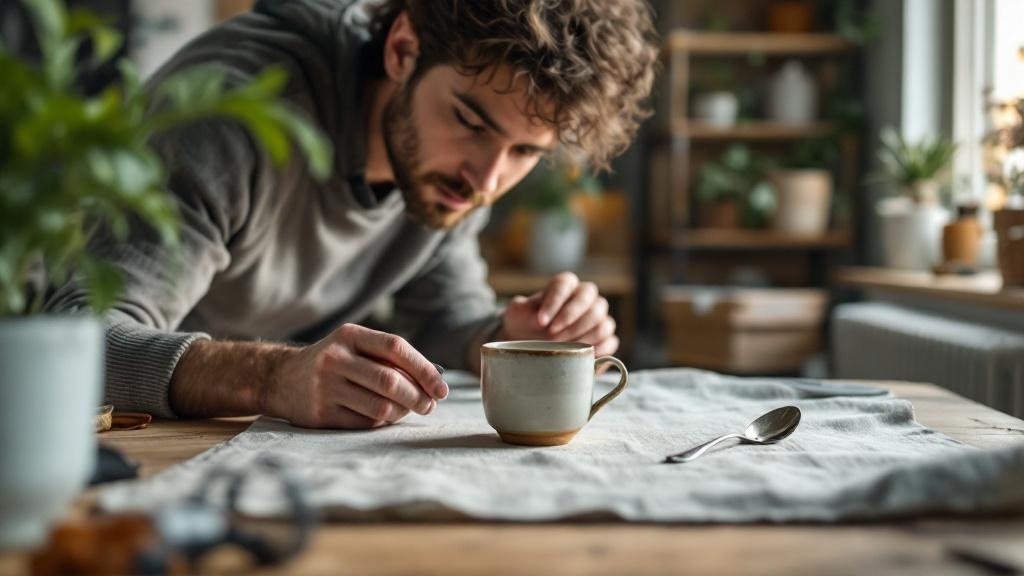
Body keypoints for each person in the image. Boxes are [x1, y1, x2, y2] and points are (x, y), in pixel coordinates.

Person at [47, 0, 659, 429]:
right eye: (471, 123)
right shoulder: (238, 115)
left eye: (527, 151)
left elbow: (444, 316)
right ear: (402, 49)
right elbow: (73, 346)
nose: (486, 180)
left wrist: (506, 338)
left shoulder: (446, 172)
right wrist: (271, 377)